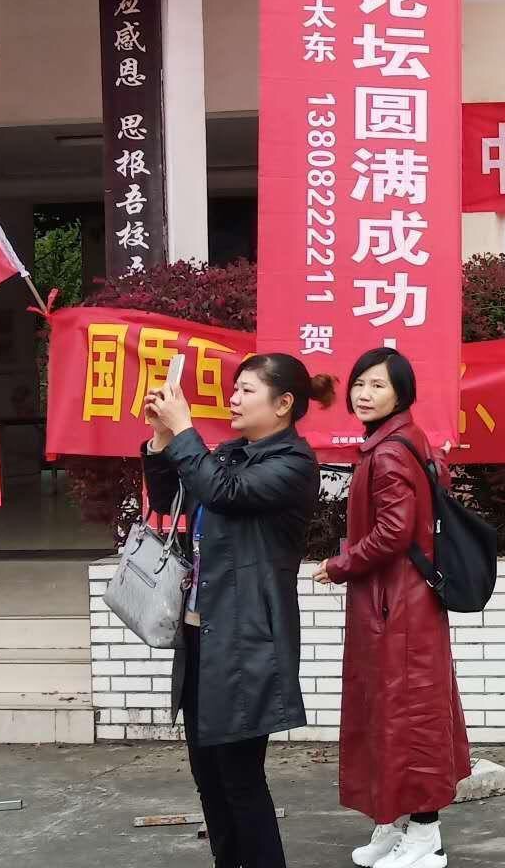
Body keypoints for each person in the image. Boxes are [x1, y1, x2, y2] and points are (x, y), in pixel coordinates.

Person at [143, 353, 330, 868]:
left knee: (241, 778)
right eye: (235, 389)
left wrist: (186, 431)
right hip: (202, 635)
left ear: (284, 403)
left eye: (247, 390)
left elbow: (223, 493)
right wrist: (162, 437)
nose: (234, 399)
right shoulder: (230, 454)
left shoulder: (293, 464)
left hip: (247, 640)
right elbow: (170, 495)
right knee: (208, 774)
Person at [312, 348, 472, 868]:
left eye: (378, 385)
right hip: (400, 603)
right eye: (360, 383)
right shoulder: (402, 440)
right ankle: (394, 822)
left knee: (410, 717)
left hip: (398, 608)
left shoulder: (388, 453)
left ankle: (425, 836)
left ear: (402, 394)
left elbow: (393, 533)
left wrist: (339, 564)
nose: (364, 394)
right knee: (391, 712)